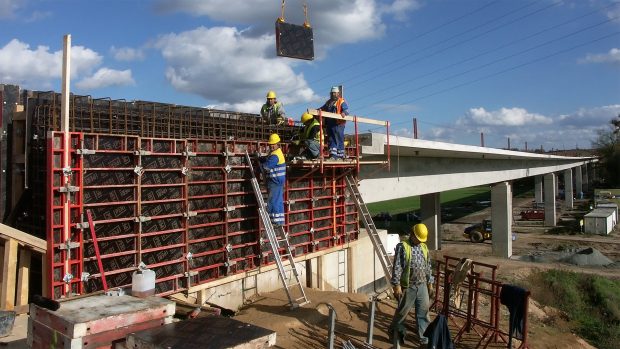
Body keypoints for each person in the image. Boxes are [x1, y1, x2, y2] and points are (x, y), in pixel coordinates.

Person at [390, 223, 434, 347]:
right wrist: (396, 285)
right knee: (402, 314)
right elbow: (397, 267)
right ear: (413, 234)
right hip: (408, 287)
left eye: (421, 240)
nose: (419, 241)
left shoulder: (424, 247)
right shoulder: (403, 246)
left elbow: (428, 266)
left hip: (422, 286)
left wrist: (430, 283)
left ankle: (424, 340)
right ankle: (395, 334)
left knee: (423, 314)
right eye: (418, 238)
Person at [260, 133, 286, 226]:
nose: (271, 146)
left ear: (277, 143)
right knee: (278, 201)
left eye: (273, 144)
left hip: (275, 182)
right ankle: (279, 221)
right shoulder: (276, 153)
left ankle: (275, 221)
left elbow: (266, 166)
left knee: (273, 201)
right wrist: (262, 159)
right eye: (270, 144)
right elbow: (269, 160)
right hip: (277, 182)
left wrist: (260, 166)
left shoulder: (275, 155)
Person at [319, 86, 348, 159]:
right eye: (332, 93)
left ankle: (340, 156)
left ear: (338, 93)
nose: (334, 94)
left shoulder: (341, 101)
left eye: (335, 93)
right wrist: (315, 111)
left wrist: (344, 113)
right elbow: (322, 108)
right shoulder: (329, 102)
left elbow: (346, 110)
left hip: (338, 124)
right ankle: (333, 155)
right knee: (331, 139)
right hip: (330, 124)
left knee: (338, 138)